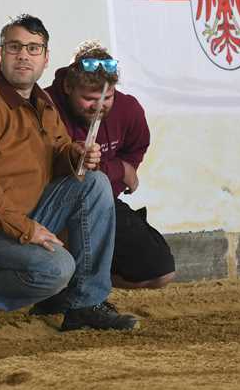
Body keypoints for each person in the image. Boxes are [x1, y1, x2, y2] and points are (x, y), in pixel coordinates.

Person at [0, 15, 137, 331]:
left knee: (95, 182)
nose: (24, 55)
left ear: (46, 58)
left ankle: (85, 303)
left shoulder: (41, 101)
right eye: (15, 47)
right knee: (56, 268)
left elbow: (59, 151)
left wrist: (75, 154)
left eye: (33, 48)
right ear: (0, 54)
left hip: (17, 220)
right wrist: (26, 229)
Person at [46, 41, 176, 291]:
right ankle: (75, 292)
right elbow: (50, 171)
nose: (99, 106)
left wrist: (116, 170)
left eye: (107, 97)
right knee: (63, 256)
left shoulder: (128, 109)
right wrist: (119, 170)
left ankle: (77, 288)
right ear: (68, 87)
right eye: (89, 98)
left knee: (160, 271)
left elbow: (135, 148)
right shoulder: (46, 106)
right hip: (51, 205)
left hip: (103, 202)